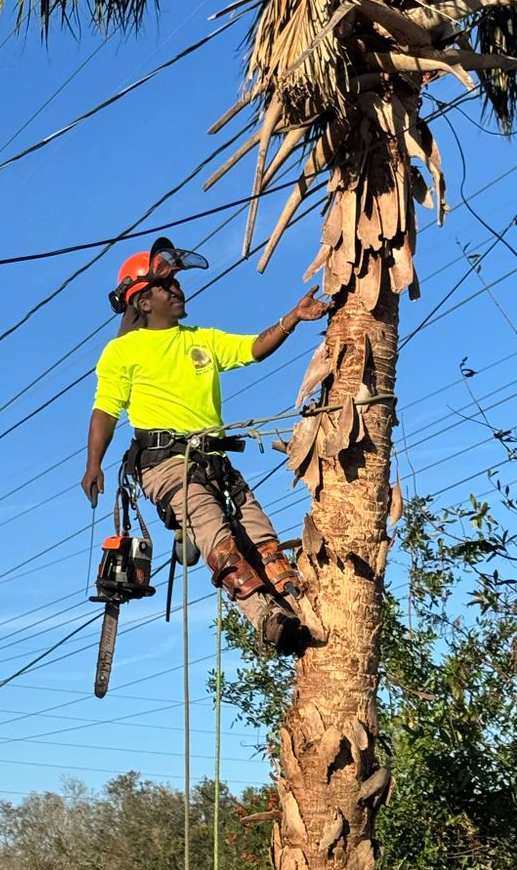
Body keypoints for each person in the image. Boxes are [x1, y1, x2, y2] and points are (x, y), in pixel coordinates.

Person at [81, 236, 330, 654]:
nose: (177, 290)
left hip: (215, 462)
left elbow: (253, 349)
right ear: (142, 302)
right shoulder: (122, 352)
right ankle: (265, 618)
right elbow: (105, 411)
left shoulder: (202, 339)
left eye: (176, 284)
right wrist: (94, 464)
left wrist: (292, 318)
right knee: (217, 535)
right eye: (166, 286)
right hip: (165, 465)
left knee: (264, 540)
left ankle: (298, 612)